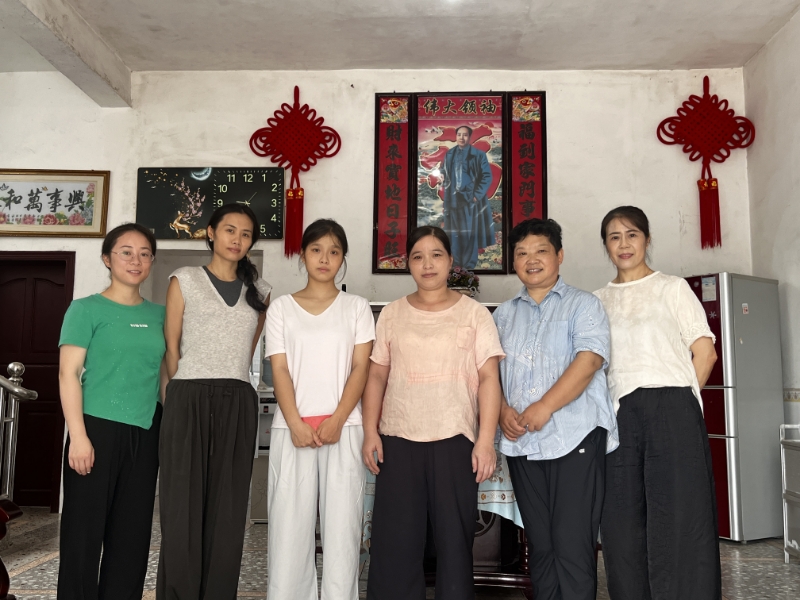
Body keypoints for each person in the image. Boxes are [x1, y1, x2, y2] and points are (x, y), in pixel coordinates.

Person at [362, 226, 504, 600]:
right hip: (398, 438)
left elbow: (489, 377)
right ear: (407, 263)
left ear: (451, 261)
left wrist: (485, 441)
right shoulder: (392, 313)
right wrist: (370, 431)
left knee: (455, 542)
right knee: (396, 542)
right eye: (418, 256)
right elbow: (376, 375)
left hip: (455, 439)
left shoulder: (475, 314)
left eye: (436, 255)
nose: (428, 264)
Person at [594, 206, 721, 600]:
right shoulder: (596, 301)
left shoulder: (672, 288)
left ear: (647, 239)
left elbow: (705, 353)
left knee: (679, 516)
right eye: (614, 237)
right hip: (619, 415)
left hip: (672, 409)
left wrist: (681, 403)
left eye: (632, 234)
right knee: (622, 518)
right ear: (605, 246)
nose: (624, 244)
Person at [494, 218, 619, 600]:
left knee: (572, 544)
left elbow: (589, 360)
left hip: (574, 436)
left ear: (559, 256)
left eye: (541, 251)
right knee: (541, 544)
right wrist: (501, 410)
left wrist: (544, 407)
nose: (531, 260)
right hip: (522, 442)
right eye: (522, 253)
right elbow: (488, 373)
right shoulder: (503, 315)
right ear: (513, 261)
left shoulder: (584, 304)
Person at [157, 204, 271, 600]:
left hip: (237, 399)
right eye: (229, 230)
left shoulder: (261, 292)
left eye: (246, 234)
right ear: (210, 232)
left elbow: (247, 351)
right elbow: (171, 348)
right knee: (182, 507)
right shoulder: (184, 279)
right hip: (187, 395)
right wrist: (182, 394)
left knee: (228, 509)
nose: (237, 239)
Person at [266, 219, 375, 600]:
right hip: (291, 430)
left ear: (343, 258)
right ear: (303, 255)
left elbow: (361, 368)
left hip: (344, 429)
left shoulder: (357, 308)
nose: (324, 259)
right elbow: (279, 368)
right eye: (316, 250)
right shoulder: (281, 308)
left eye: (333, 251)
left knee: (343, 530)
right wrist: (295, 422)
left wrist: (338, 419)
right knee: (288, 528)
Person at [57, 223, 165, 600]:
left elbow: (165, 377)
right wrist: (78, 437)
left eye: (145, 254)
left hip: (146, 431)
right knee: (83, 536)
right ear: (107, 258)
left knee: (132, 538)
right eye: (126, 252)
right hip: (95, 431)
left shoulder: (161, 315)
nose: (136, 260)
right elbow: (68, 374)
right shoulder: (85, 309)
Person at [441, 125, 495, 269]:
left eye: (465, 135)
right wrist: (441, 175)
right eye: (459, 134)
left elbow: (487, 177)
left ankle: (468, 265)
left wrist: (476, 196)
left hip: (470, 199)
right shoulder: (450, 154)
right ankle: (456, 263)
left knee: (470, 233)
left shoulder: (478, 155)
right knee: (454, 232)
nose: (462, 137)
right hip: (453, 199)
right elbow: (443, 170)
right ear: (456, 136)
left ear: (470, 137)